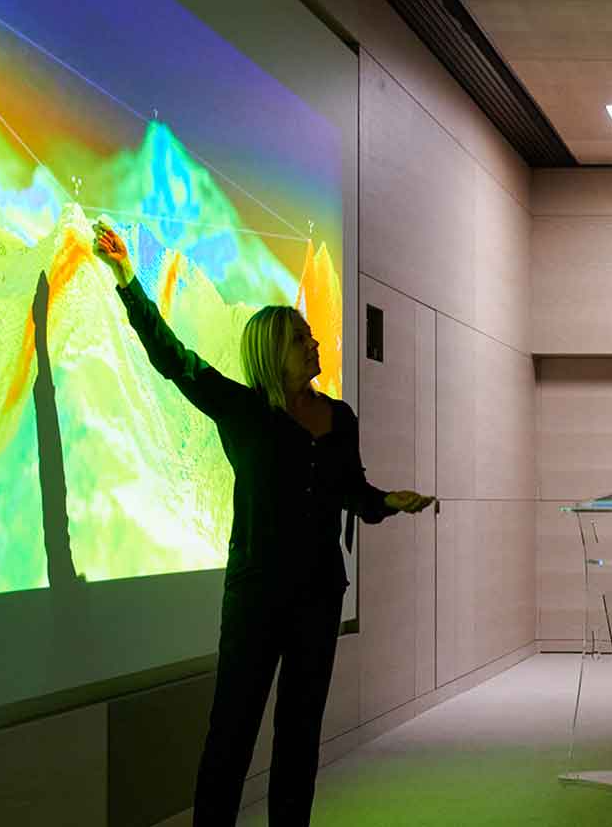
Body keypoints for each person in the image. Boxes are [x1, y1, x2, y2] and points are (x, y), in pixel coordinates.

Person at [90, 220, 433, 827]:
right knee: (232, 736)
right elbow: (172, 358)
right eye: (302, 339)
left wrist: (387, 501)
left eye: (311, 336)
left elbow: (350, 491)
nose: (315, 344)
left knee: (299, 739)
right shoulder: (243, 411)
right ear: (274, 351)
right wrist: (126, 279)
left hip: (320, 597)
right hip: (254, 598)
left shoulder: (341, 417)